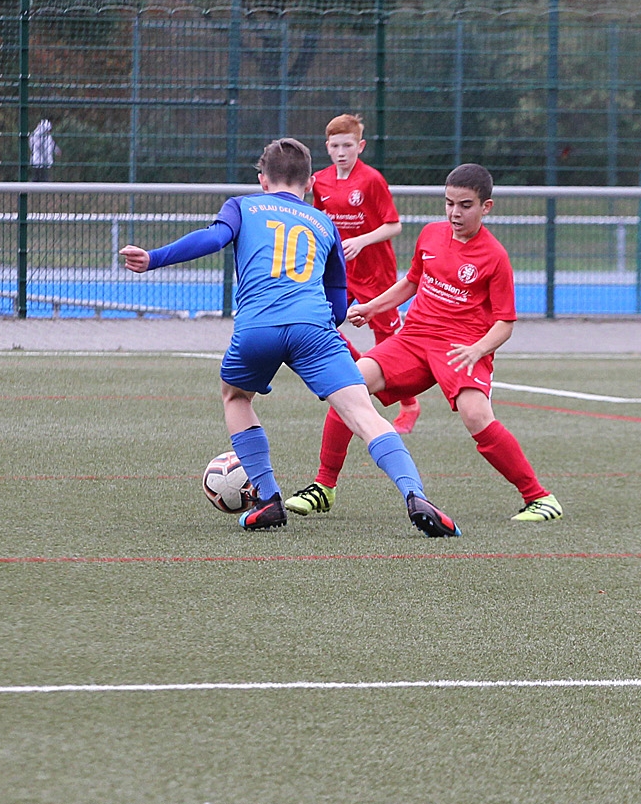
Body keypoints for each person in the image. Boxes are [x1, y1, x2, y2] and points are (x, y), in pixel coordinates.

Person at [118, 137, 460, 537]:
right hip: (313, 328)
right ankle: (415, 495)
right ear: (311, 183)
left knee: (235, 396)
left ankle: (268, 498)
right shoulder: (324, 223)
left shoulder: (242, 206)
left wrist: (154, 258)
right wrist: (320, 334)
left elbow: (212, 239)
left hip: (258, 328)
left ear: (262, 180)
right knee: (363, 414)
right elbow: (337, 303)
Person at [284, 163, 563, 522]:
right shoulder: (431, 235)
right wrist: (372, 307)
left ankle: (539, 498)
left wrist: (478, 349)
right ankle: (324, 487)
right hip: (414, 339)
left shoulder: (494, 256)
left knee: (476, 416)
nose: (455, 212)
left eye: (465, 205)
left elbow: (505, 323)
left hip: (461, 348)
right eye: (449, 203)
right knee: (349, 387)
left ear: (486, 207)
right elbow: (412, 282)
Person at [310, 114, 420, 434]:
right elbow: (318, 221)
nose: (341, 152)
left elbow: (393, 225)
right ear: (327, 147)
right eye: (335, 146)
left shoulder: (371, 180)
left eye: (347, 145)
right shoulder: (320, 181)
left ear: (360, 146)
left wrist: (361, 240)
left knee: (388, 341)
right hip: (339, 272)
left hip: (375, 272)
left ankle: (409, 404)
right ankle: (361, 370)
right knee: (322, 321)